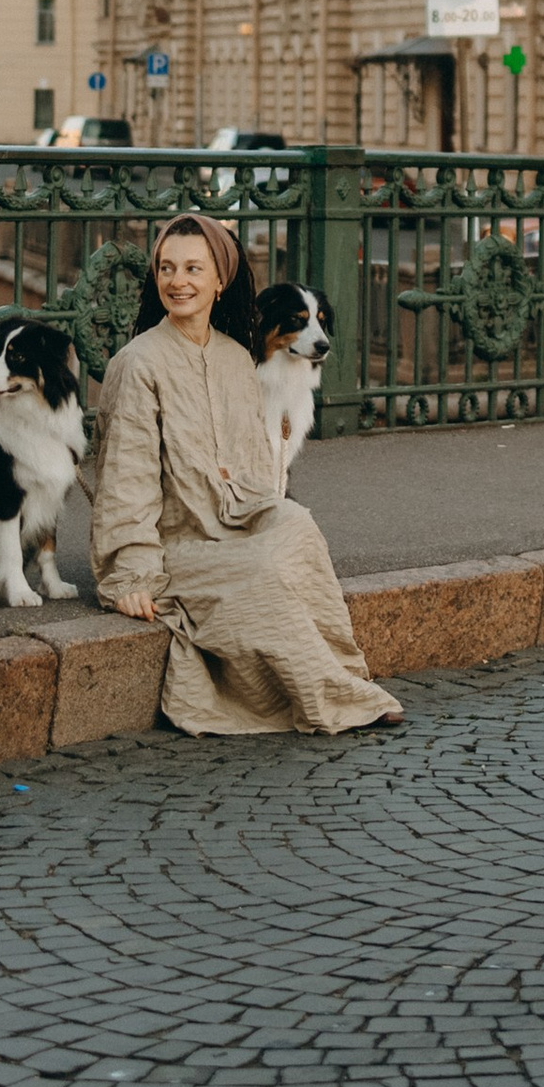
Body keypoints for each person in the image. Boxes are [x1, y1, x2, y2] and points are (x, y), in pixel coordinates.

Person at [90, 212, 402, 735]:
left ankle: (342, 679)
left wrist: (265, 516)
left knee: (296, 529)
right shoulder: (137, 362)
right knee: (261, 569)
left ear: (220, 281)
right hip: (175, 541)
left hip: (233, 521)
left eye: (193, 268)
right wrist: (132, 572)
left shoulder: (236, 358)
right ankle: (331, 697)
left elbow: (255, 469)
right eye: (167, 268)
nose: (177, 281)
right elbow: (126, 474)